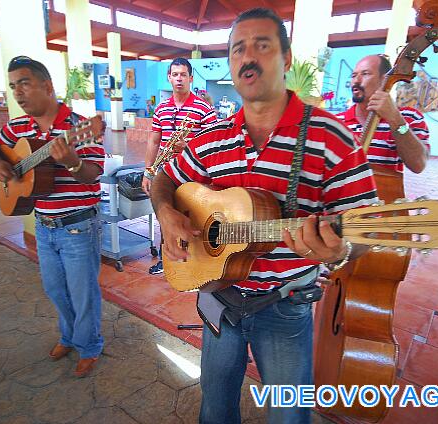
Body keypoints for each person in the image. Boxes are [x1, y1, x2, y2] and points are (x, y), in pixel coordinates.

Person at [150, 8, 378, 423]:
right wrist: (165, 211)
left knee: (289, 417)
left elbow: (366, 227)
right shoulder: (212, 138)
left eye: (262, 45)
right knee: (215, 408)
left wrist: (340, 249)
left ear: (286, 58)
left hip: (284, 308)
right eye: (239, 49)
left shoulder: (330, 137)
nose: (248, 57)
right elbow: (163, 178)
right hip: (219, 297)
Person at [0, 56, 106, 378]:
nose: (17, 93)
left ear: (47, 86)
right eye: (12, 86)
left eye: (23, 83)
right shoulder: (19, 127)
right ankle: (69, 336)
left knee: (83, 292)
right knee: (55, 290)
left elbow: (93, 175)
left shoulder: (80, 128)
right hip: (44, 227)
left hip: (78, 226)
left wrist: (73, 162)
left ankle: (89, 346)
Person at [141, 57, 217, 275]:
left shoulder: (204, 109)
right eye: (175, 75)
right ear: (169, 78)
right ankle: (167, 259)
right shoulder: (161, 108)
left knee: (193, 216)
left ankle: (194, 261)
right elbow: (154, 141)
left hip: (193, 175)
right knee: (165, 214)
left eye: (183, 74)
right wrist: (148, 171)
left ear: (191, 78)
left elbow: (213, 144)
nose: (179, 79)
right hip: (165, 174)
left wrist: (189, 146)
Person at [337, 54, 430, 173]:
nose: (356, 80)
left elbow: (418, 165)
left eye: (365, 74)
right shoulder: (338, 121)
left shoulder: (409, 117)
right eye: (354, 75)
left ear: (384, 79)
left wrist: (395, 119)